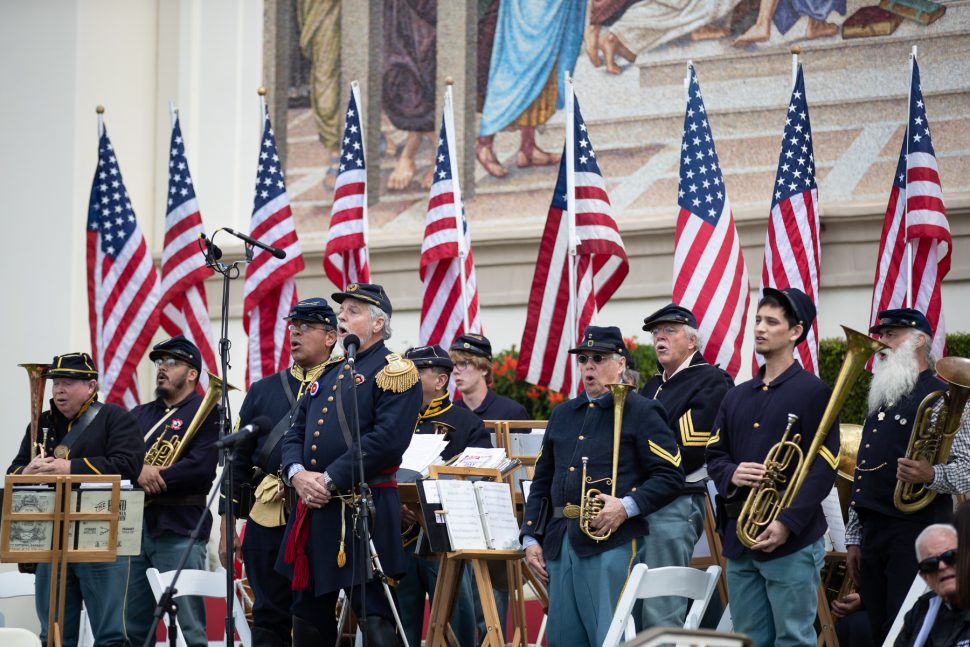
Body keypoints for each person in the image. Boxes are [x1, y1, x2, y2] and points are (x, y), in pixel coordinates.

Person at [522, 325, 685, 647]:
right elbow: (542, 480)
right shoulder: (563, 414)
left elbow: (670, 475)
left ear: (621, 362)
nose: (589, 366)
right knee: (562, 638)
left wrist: (625, 506)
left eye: (598, 358)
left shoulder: (643, 410)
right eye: (583, 359)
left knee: (610, 636)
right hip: (559, 538)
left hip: (612, 541)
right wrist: (530, 536)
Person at [279, 282, 422, 646]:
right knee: (307, 617)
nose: (341, 317)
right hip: (315, 512)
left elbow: (386, 443)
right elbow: (294, 434)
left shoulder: (396, 371)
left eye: (352, 311)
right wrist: (297, 476)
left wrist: (326, 480)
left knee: (375, 616)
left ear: (378, 323)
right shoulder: (327, 373)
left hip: (364, 510)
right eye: (341, 311)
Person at [706, 287, 840, 647]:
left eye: (771, 322)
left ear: (795, 331)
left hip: (791, 541)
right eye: (757, 321)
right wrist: (730, 472)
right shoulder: (736, 394)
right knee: (748, 640)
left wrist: (787, 522)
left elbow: (823, 468)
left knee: (794, 640)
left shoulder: (814, 392)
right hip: (740, 537)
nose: (759, 329)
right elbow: (715, 454)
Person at [219, 297, 340, 647]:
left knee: (312, 614)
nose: (295, 333)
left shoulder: (346, 386)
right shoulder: (262, 390)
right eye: (292, 326)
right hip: (265, 515)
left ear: (331, 337)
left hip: (320, 512)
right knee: (268, 615)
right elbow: (238, 462)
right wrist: (228, 525)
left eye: (306, 327)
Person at [845, 307, 970, 643]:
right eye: (881, 334)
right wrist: (855, 537)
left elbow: (966, 472)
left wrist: (930, 475)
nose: (881, 342)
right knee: (878, 629)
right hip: (874, 533)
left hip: (915, 532)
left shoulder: (945, 398)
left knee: (907, 629)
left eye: (891, 335)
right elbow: (864, 473)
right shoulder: (881, 398)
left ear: (919, 340)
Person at [8, 352, 144, 647]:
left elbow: (128, 465)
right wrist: (27, 471)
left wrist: (69, 468)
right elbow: (13, 470)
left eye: (68, 382)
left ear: (92, 386)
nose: (58, 390)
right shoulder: (41, 422)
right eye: (56, 382)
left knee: (110, 635)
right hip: (52, 541)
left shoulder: (115, 418)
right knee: (53, 636)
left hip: (102, 538)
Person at [638, 304, 734, 629]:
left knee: (660, 608)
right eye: (656, 333)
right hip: (640, 502)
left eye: (669, 331)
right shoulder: (651, 386)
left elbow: (690, 447)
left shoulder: (711, 381)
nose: (659, 338)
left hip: (676, 500)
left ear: (691, 341)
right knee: (633, 606)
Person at [126, 336, 220, 647]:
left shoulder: (208, 412)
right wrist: (140, 471)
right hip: (136, 528)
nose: (161, 369)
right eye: (158, 363)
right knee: (134, 625)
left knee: (190, 625)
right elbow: (121, 459)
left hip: (181, 526)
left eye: (171, 362)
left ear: (192, 373)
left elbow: (201, 467)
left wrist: (156, 473)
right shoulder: (139, 414)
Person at [397, 344, 492, 647]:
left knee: (458, 627)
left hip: (445, 542)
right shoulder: (392, 421)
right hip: (398, 536)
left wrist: (423, 506)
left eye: (415, 373)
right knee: (402, 628)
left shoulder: (468, 425)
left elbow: (479, 483)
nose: (406, 378)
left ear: (439, 381)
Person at [894, 524, 970, 646]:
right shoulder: (920, 611)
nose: (942, 566)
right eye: (930, 564)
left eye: (950, 556)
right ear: (925, 577)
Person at [450, 333, 529, 421]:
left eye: (463, 363)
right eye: (453, 365)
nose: (455, 371)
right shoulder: (448, 415)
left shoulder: (512, 413)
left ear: (484, 369)